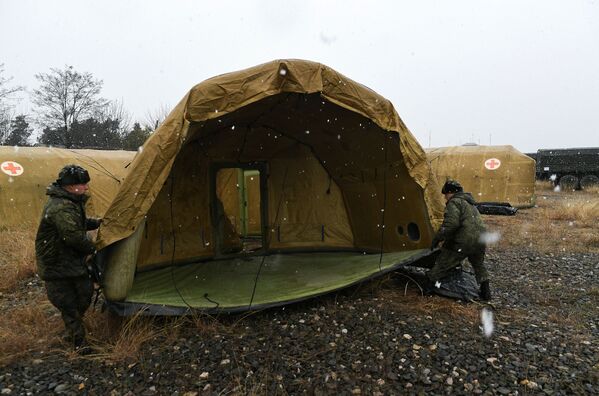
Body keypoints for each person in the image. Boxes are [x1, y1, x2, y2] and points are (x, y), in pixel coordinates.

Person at [35, 165, 101, 352]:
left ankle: (72, 330)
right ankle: (78, 343)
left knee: (84, 294)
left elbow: (76, 224)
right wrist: (95, 248)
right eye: (82, 184)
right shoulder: (61, 207)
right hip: (56, 263)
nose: (86, 187)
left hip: (69, 260)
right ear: (70, 186)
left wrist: (96, 223)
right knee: (68, 303)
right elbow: (72, 236)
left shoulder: (71, 202)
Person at [428, 179, 491, 300]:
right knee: (478, 265)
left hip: (464, 240)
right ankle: (486, 293)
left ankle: (427, 289)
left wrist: (437, 238)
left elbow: (451, 224)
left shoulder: (455, 202)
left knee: (443, 263)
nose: (445, 198)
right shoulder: (470, 203)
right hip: (481, 239)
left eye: (446, 194)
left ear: (450, 192)